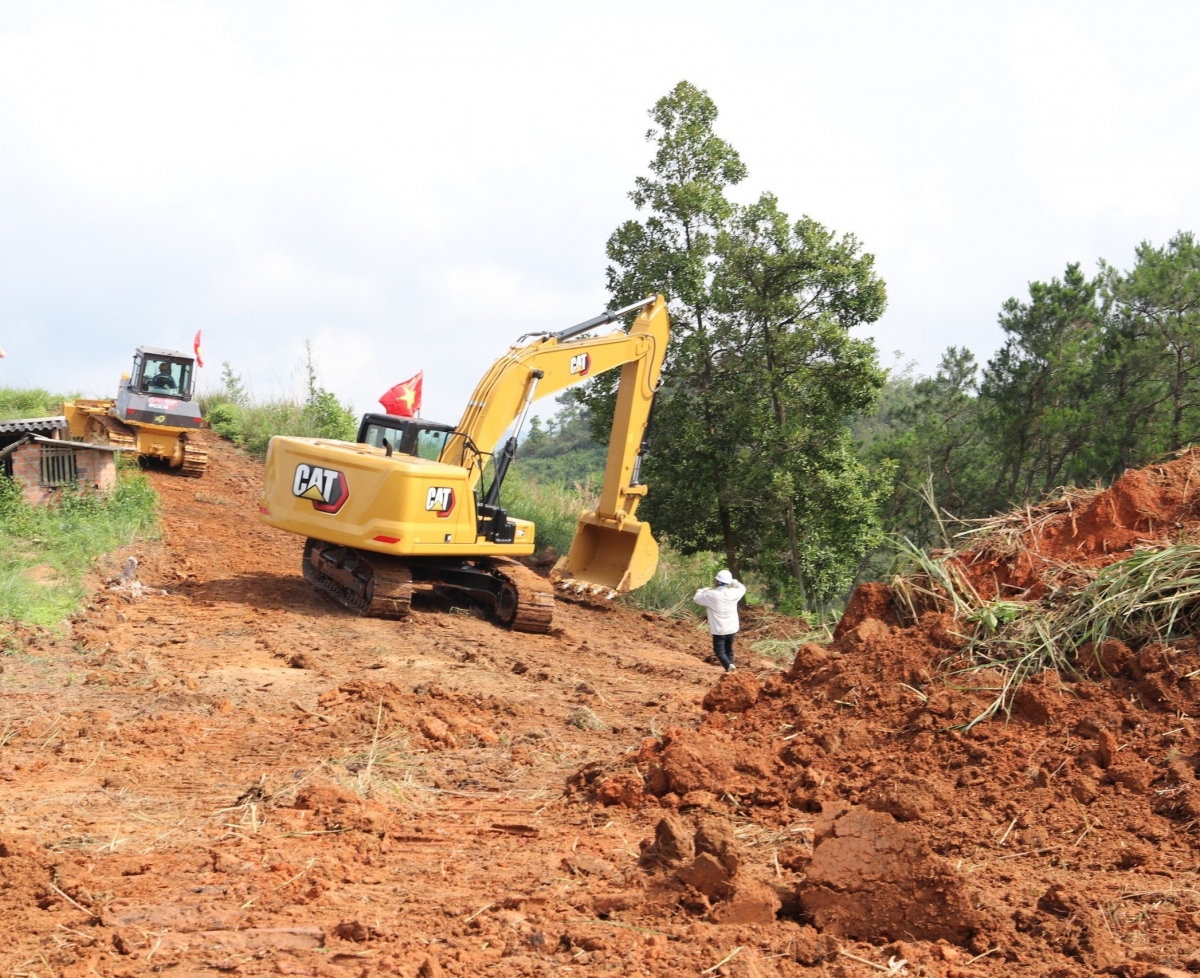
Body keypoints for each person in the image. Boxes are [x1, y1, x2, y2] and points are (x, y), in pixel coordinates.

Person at [694, 569, 746, 672]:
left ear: (717, 582)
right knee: (729, 650)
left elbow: (696, 598)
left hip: (719, 629)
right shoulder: (733, 593)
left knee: (719, 651)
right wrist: (733, 581)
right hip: (732, 628)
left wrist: (702, 590)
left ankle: (729, 666)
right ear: (728, 582)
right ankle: (730, 669)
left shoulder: (711, 595)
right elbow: (742, 588)